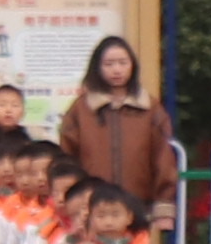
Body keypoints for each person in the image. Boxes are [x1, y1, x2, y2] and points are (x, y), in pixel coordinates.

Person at [56, 37, 170, 223]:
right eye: (109, 64)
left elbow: (164, 158)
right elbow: (67, 158)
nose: (116, 70)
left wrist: (164, 207)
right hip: (92, 207)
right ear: (97, 67)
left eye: (122, 63)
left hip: (138, 205)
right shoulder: (81, 109)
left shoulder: (151, 108)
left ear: (132, 66)